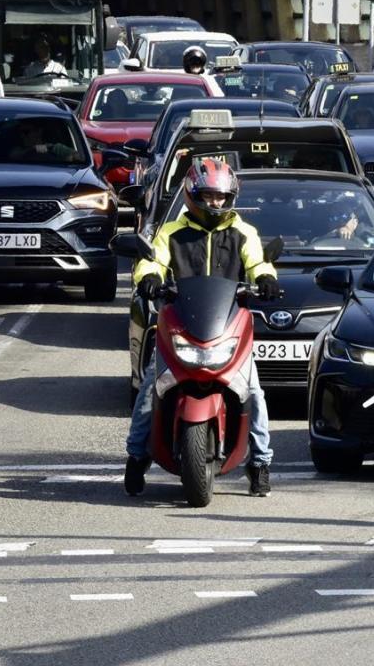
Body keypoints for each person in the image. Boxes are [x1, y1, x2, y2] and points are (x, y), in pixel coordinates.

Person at [125, 158, 282, 497]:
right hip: (180, 327)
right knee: (151, 389)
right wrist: (149, 277)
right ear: (192, 194)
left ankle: (260, 462)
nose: (216, 203)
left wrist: (266, 279)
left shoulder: (244, 233)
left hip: (226, 328)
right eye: (209, 196)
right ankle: (136, 455)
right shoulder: (171, 233)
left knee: (253, 391)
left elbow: (258, 262)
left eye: (222, 197)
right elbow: (151, 259)